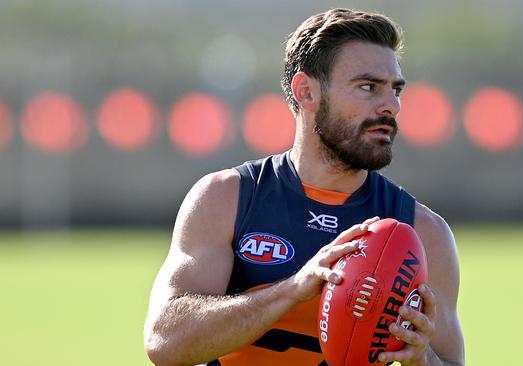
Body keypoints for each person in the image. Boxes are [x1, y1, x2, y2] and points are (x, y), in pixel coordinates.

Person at [144, 8, 464, 366]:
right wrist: (293, 289)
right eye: (368, 87)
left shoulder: (421, 232)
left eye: (396, 90)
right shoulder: (227, 198)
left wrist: (421, 359)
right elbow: (165, 341)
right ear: (306, 92)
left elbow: (449, 362)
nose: (390, 105)